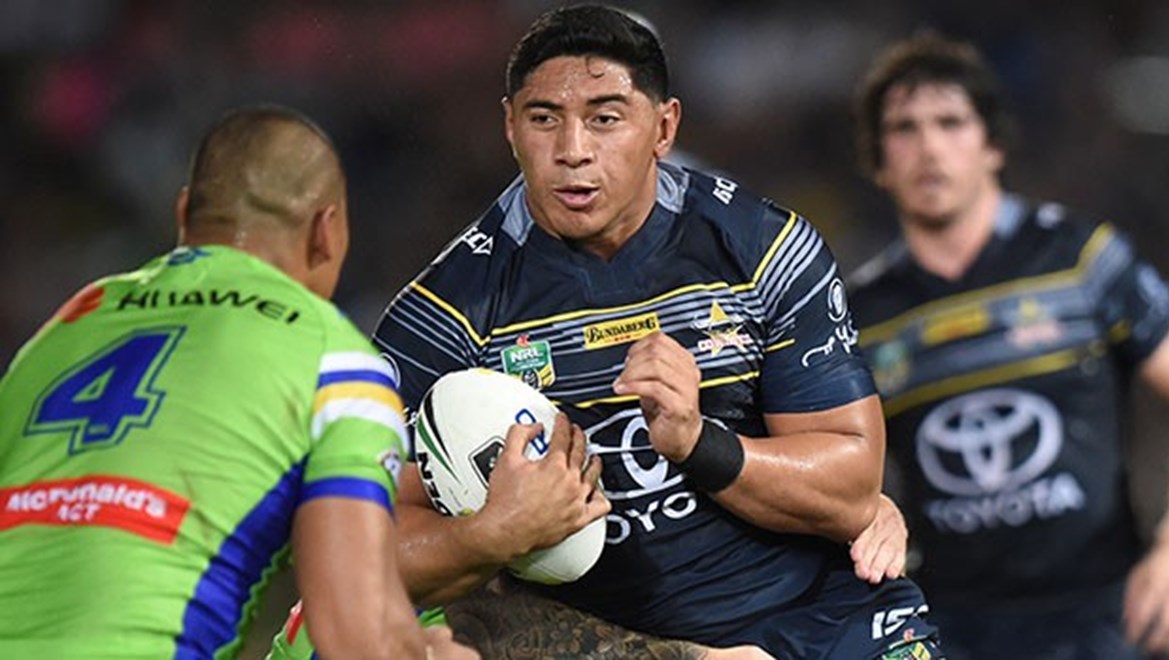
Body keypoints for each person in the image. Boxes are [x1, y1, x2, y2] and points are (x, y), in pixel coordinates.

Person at [364, 5, 943, 658]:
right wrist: (490, 534)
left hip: (830, 620)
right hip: (622, 645)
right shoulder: (443, 316)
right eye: (543, 119)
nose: (572, 150)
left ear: (663, 127)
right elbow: (363, 548)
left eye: (605, 119)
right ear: (510, 127)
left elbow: (851, 490)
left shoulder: (761, 250)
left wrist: (698, 443)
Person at [0, 106, 475, 659]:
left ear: (185, 215)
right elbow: (355, 639)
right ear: (326, 232)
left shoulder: (62, 329)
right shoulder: (336, 363)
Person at [847, 31, 1169, 659]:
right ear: (878, 162)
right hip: (948, 626)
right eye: (904, 129)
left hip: (1106, 617)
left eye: (950, 122)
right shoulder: (861, 315)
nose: (929, 147)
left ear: (992, 144)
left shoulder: (1081, 260)